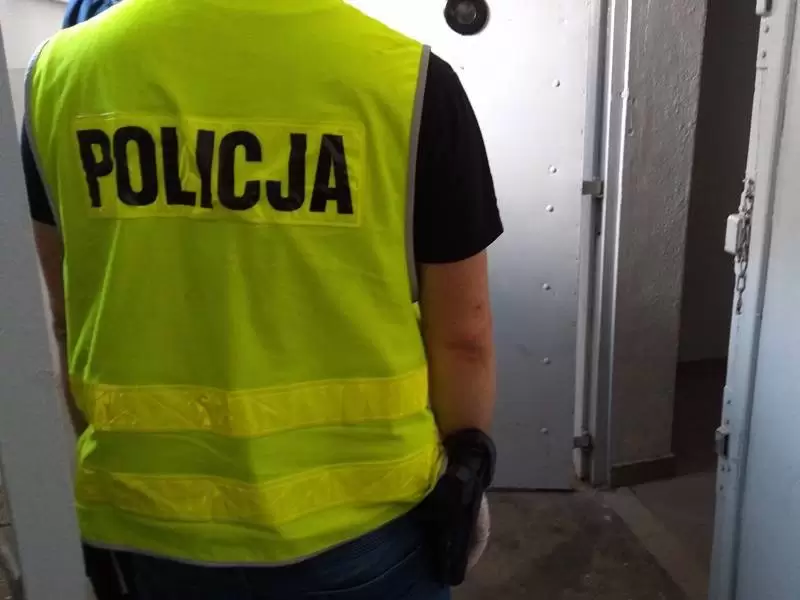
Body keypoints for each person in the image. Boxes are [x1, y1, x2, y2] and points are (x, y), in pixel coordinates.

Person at [21, 0, 502, 597]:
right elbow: (464, 337)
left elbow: (67, 313)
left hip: (144, 519)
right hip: (366, 520)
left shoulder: (58, 73)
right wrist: (466, 476)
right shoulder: (411, 81)